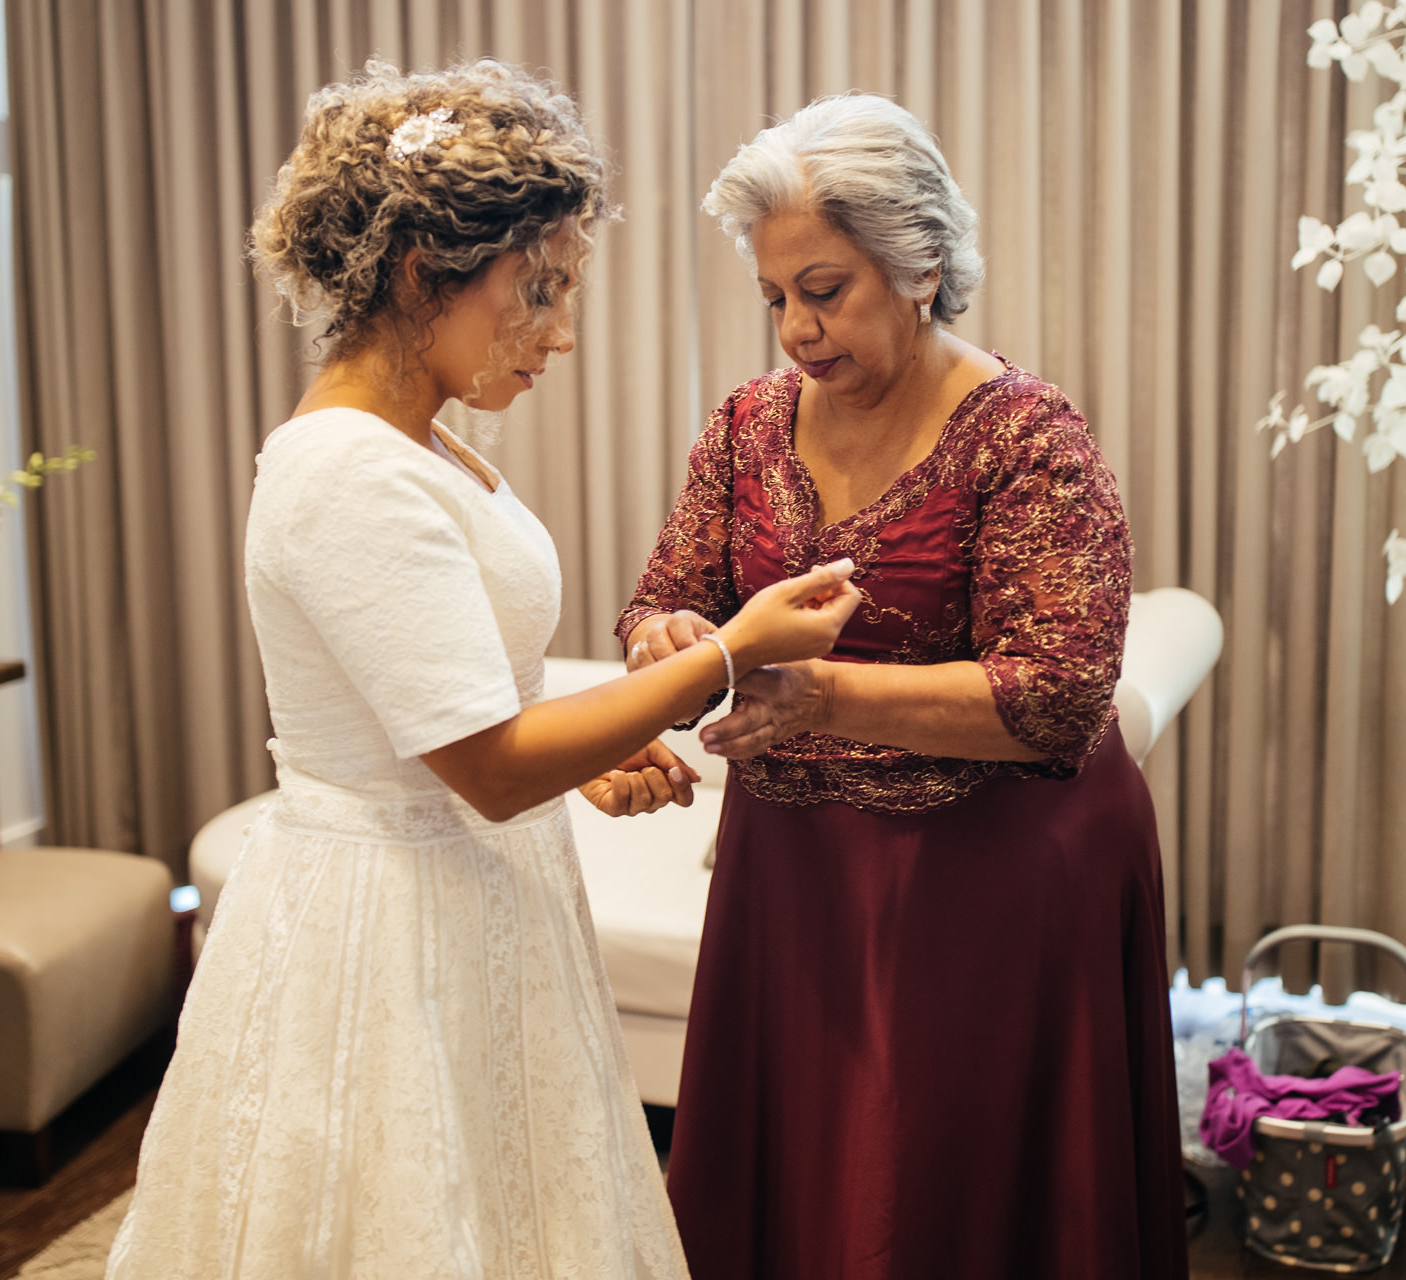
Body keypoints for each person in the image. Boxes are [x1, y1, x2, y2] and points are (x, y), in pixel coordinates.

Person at [105, 61, 860, 1279]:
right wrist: (732, 648)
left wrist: (596, 744)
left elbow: (460, 704)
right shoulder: (344, 470)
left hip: (475, 883)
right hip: (382, 918)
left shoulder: (422, 442)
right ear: (422, 274)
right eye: (540, 289)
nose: (561, 330)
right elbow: (489, 769)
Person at [619, 94, 1189, 1280]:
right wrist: (665, 643)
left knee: (947, 1203)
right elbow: (659, 603)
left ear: (921, 264)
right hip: (795, 875)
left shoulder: (1029, 437)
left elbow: (1062, 694)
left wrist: (820, 697)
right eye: (776, 296)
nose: (795, 330)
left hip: (994, 876)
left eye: (825, 290)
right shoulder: (744, 429)